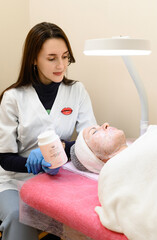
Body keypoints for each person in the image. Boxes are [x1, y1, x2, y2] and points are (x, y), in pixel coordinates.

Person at [0, 22, 96, 240]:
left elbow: (88, 143)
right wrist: (31, 163)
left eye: (65, 57)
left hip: (58, 179)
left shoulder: (76, 91)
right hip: (14, 181)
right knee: (18, 216)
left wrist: (60, 148)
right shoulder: (13, 98)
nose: (61, 65)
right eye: (52, 58)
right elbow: (4, 158)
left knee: (82, 217)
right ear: (34, 59)